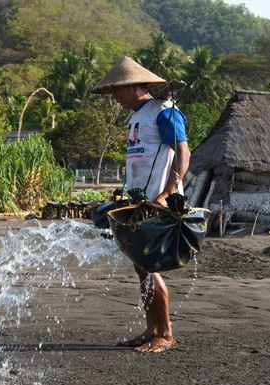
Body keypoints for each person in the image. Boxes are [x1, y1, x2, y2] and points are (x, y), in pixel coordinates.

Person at [92, 56, 191, 353]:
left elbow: (183, 154)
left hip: (159, 204)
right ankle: (152, 329)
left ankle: (166, 334)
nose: (115, 97)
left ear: (135, 86)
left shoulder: (164, 111)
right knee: (141, 267)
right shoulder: (137, 116)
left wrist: (166, 194)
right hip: (139, 203)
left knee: (149, 267)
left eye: (117, 91)